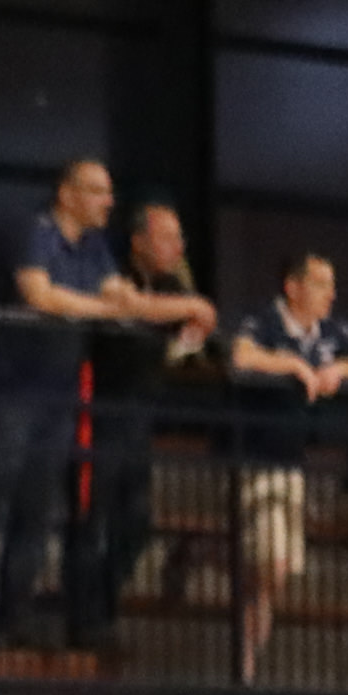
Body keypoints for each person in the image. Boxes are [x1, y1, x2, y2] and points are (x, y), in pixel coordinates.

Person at [0, 161, 145, 649]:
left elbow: (121, 298)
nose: (108, 202)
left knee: (36, 513)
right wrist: (104, 308)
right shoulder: (35, 232)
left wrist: (183, 307)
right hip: (9, 391)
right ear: (67, 194)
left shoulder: (95, 247)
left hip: (58, 398)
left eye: (109, 192)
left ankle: (12, 617)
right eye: (97, 191)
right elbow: (39, 295)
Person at [65, 204, 216, 653]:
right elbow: (131, 308)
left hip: (140, 420)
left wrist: (190, 323)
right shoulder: (112, 273)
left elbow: (201, 323)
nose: (177, 247)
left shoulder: (171, 285)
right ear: (138, 241)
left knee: (136, 522)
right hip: (97, 414)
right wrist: (187, 307)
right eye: (167, 238)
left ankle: (104, 602)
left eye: (179, 238)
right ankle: (84, 621)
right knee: (91, 521)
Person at [223, 250, 348, 684]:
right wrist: (293, 365)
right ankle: (244, 666)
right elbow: (242, 358)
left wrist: (339, 369)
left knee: (275, 572)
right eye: (321, 284)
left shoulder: (330, 331)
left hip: (292, 464)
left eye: (332, 285)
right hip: (255, 459)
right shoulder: (266, 322)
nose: (331, 294)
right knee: (270, 562)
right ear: (293, 287)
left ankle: (246, 662)